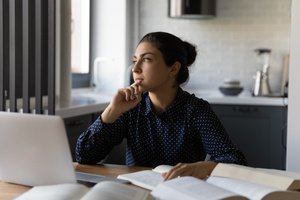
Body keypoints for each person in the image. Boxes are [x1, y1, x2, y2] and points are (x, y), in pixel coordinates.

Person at [76, 31, 246, 180]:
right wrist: (112, 111)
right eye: (135, 60)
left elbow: (234, 160)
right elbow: (84, 156)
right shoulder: (130, 108)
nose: (135, 68)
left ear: (173, 69)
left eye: (146, 59)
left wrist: (205, 167)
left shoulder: (196, 110)